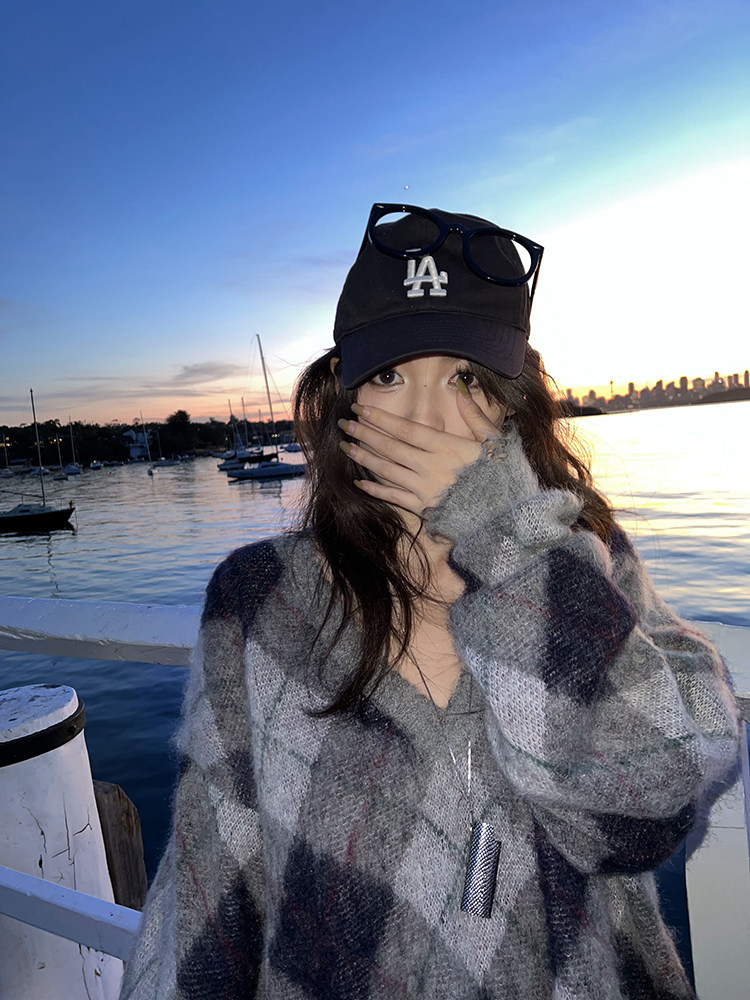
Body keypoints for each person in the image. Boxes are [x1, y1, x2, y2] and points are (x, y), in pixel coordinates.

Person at [119, 204, 740, 1000]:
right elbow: (212, 878)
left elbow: (646, 815)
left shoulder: (584, 561)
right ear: (345, 399)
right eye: (389, 376)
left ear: (510, 402)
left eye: (466, 378)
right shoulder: (257, 599)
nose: (425, 418)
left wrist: (506, 544)